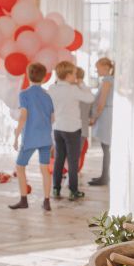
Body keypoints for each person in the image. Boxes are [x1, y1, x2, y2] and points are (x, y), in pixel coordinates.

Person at [9, 62, 54, 212]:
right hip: (45, 138)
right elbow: (52, 118)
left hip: (30, 137)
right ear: (43, 77)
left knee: (20, 167)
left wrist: (16, 135)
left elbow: (23, 116)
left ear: (28, 76)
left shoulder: (24, 94)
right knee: (45, 169)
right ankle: (47, 202)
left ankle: (23, 200)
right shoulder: (47, 96)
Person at [49, 60, 94, 201]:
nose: (76, 76)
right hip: (72, 129)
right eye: (74, 74)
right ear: (68, 75)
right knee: (73, 161)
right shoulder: (73, 89)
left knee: (59, 160)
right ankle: (73, 190)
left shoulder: (52, 88)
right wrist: (81, 84)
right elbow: (90, 98)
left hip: (57, 128)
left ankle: (56, 189)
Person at [89, 57, 114, 186]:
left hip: (105, 116)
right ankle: (104, 176)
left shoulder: (107, 81)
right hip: (108, 114)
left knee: (106, 148)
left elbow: (101, 103)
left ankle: (105, 177)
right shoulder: (110, 80)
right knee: (106, 148)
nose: (96, 70)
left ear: (105, 67)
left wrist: (94, 117)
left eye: (97, 67)